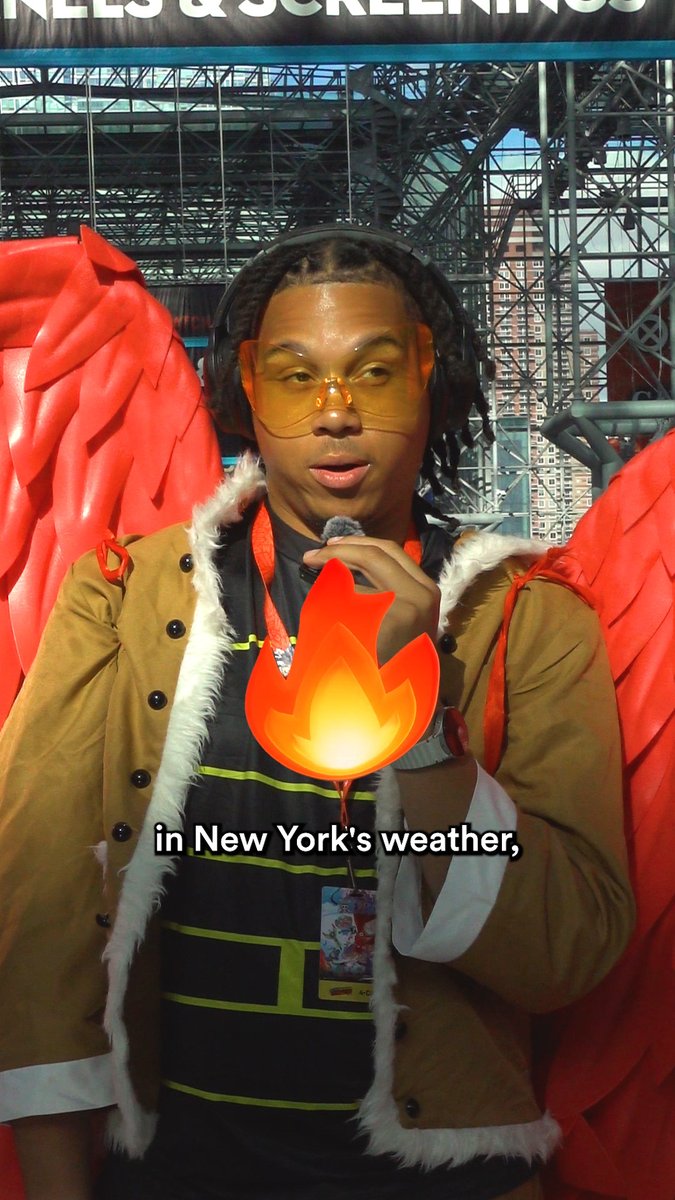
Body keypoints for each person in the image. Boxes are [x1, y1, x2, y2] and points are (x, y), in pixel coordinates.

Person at [0, 225, 634, 1200]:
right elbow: (39, 918)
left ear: (430, 381)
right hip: (179, 1172)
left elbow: (569, 950)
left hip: (449, 1179)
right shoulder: (125, 597)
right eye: (297, 378)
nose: (336, 414)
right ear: (248, 394)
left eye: (373, 373)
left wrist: (423, 725)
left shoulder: (525, 618)